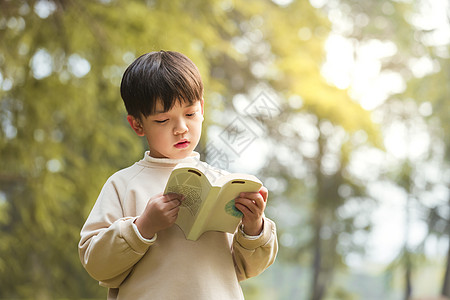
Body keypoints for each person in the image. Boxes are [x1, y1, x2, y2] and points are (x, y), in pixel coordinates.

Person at [78, 50, 278, 300]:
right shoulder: (123, 185)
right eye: (163, 120)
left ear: (202, 108)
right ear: (137, 125)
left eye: (190, 114)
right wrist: (143, 227)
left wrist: (254, 227)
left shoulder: (224, 185)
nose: (181, 128)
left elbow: (249, 267)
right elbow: (96, 264)